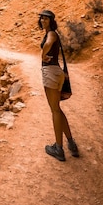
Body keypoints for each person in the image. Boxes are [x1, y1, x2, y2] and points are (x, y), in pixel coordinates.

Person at [39, 9, 79, 161]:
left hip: (50, 72)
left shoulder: (51, 33)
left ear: (51, 21)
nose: (43, 21)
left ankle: (58, 148)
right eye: (42, 18)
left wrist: (43, 55)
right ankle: (71, 144)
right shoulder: (51, 33)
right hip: (56, 72)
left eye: (46, 19)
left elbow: (48, 44)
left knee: (54, 110)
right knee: (57, 109)